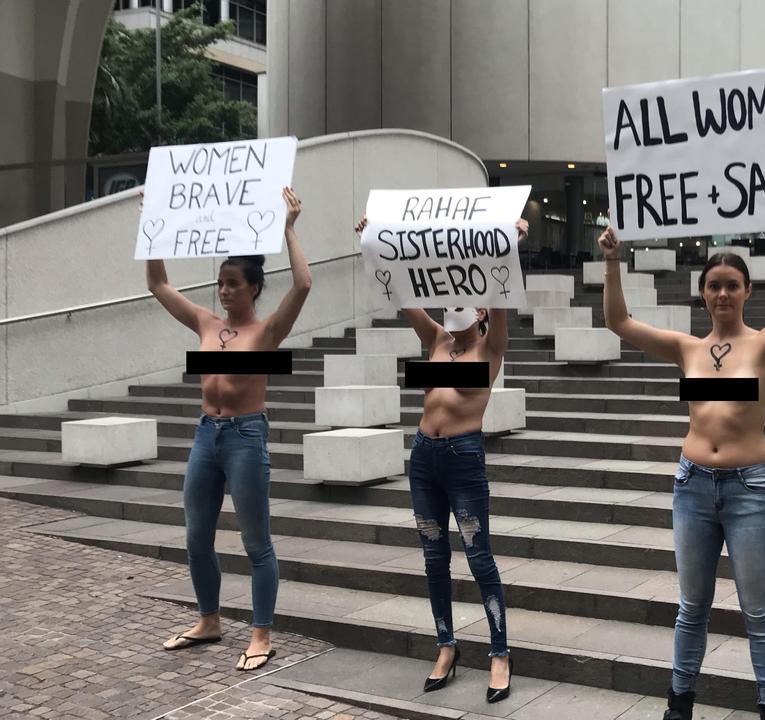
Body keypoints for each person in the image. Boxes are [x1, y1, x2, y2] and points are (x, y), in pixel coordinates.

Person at [598, 200, 765, 720]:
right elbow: (617, 320)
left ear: (748, 291)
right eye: (714, 285)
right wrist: (614, 261)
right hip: (692, 487)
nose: (723, 293)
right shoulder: (688, 349)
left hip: (748, 489)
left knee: (758, 611)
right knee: (692, 609)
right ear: (702, 293)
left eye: (733, 284)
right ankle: (679, 704)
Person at [354, 216, 528, 703]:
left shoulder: (491, 349)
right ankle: (446, 644)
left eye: (471, 297)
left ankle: (499, 651)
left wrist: (508, 248)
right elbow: (402, 296)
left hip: (464, 458)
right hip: (424, 458)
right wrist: (373, 242)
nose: (460, 300)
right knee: (434, 558)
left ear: (483, 312)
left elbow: (500, 292)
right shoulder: (434, 339)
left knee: (479, 557)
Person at [156, 187, 312, 671]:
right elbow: (159, 285)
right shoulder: (204, 323)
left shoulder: (265, 334)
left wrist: (288, 229)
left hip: (246, 436)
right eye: (219, 283)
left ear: (253, 289)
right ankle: (209, 620)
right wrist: (153, 229)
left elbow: (303, 285)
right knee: (195, 536)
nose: (222, 291)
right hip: (207, 434)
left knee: (255, 541)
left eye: (231, 284)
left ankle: (261, 633)